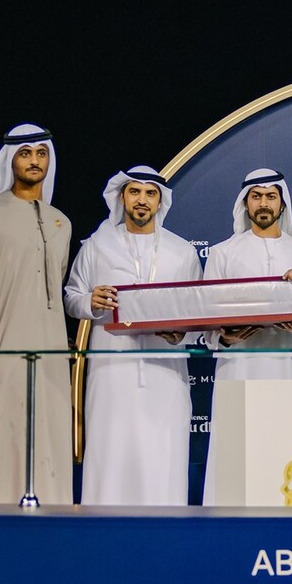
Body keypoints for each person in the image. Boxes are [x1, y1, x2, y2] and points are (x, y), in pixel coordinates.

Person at [64, 167, 202, 504]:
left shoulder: (181, 251)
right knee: (111, 454)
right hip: (112, 374)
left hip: (165, 374)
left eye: (150, 193)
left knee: (163, 454)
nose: (142, 200)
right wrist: (90, 302)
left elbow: (198, 313)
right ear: (122, 197)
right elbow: (71, 297)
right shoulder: (97, 245)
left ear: (160, 202)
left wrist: (179, 333)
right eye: (135, 192)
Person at [0, 124, 76, 504]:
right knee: (4, 432)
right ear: (10, 160)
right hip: (1, 345)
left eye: (41, 153)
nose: (34, 161)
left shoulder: (61, 222)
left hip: (50, 351)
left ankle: (52, 514)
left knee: (50, 430)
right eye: (26, 153)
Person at [200, 168, 292, 382]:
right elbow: (207, 319)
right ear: (245, 203)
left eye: (271, 197)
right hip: (237, 371)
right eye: (256, 196)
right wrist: (226, 339)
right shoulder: (222, 253)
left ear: (282, 203)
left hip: (289, 371)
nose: (264, 203)